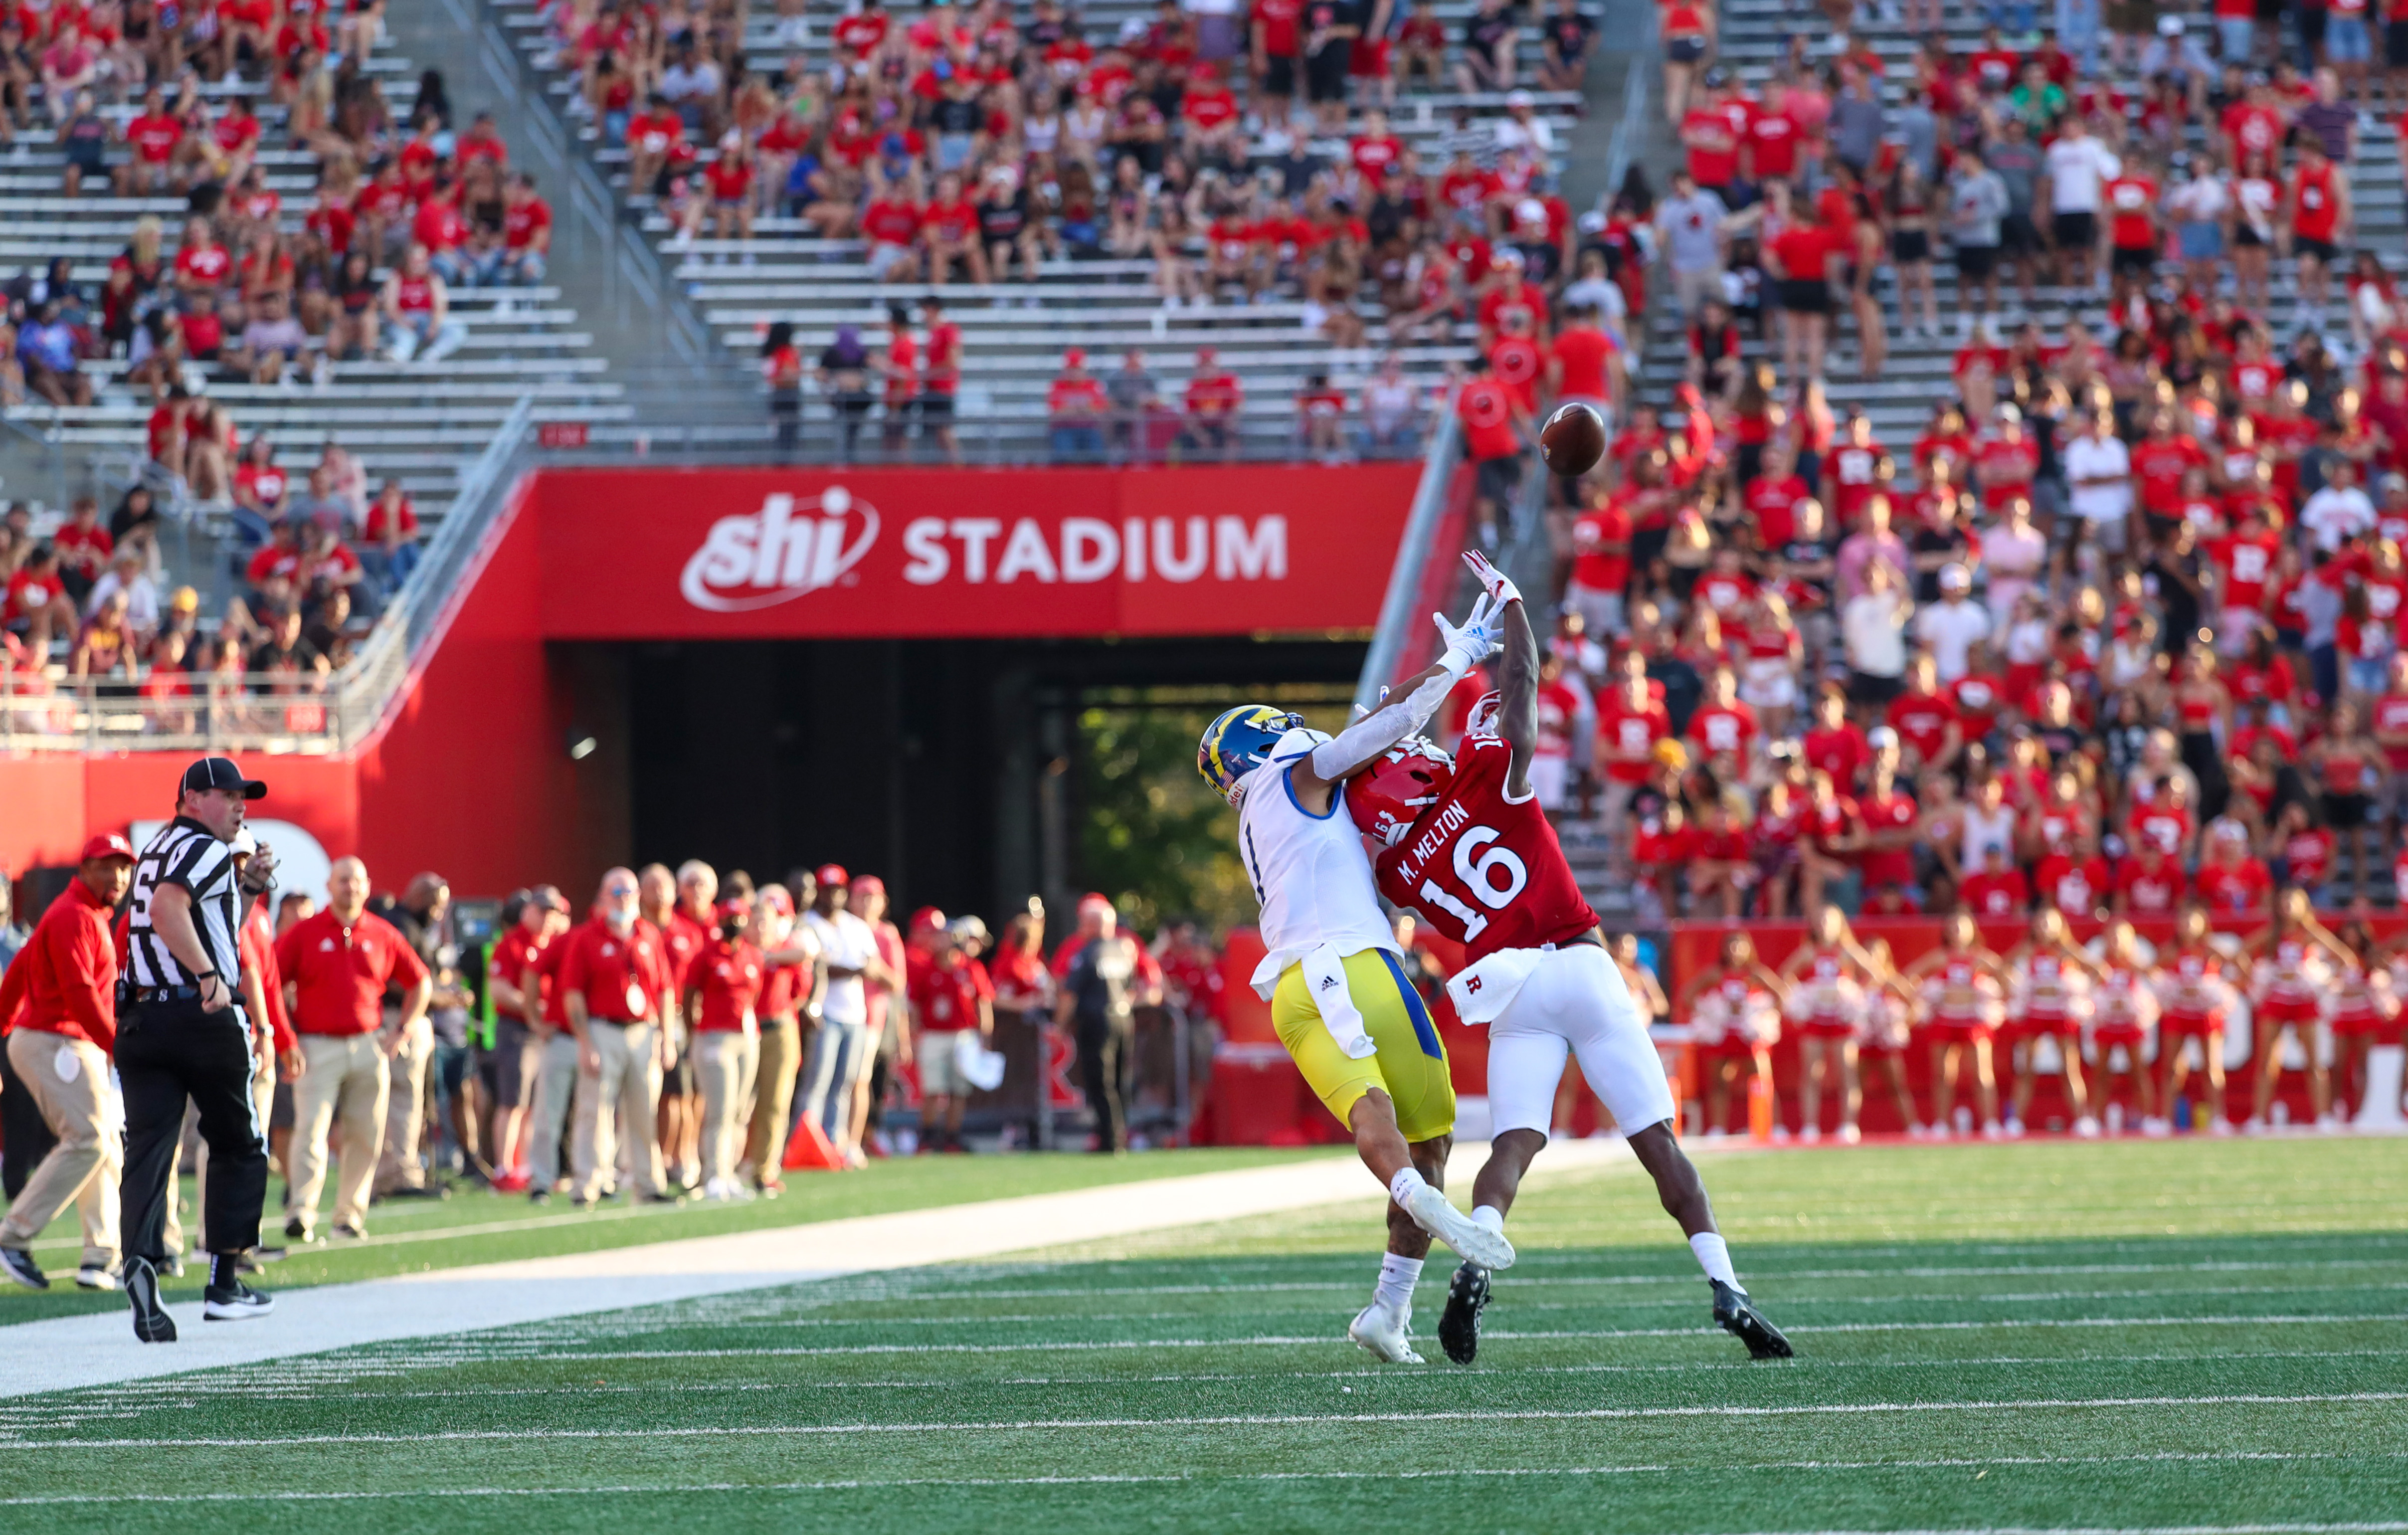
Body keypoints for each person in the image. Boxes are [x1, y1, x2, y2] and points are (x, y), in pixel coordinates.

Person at [1358, 551, 1791, 1365]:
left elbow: (1375, 764)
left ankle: (1479, 1248)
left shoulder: (1393, 868)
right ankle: (1725, 1285)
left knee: (1513, 1145)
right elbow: (1519, 695)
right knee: (1657, 1141)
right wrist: (1512, 611)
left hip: (1510, 990)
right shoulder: (1486, 776)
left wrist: (1403, 714)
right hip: (1578, 963)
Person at [1195, 587, 1518, 1366]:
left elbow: (1374, 724)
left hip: (1295, 992)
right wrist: (1463, 658)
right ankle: (1428, 1207)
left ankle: (1387, 1310)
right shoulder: (1290, 778)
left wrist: (1445, 661)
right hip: (1350, 966)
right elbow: (1392, 726)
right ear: (1261, 741)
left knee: (1423, 1135)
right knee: (1414, 1139)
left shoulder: (1267, 803)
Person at [118, 757, 279, 1339]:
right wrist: (211, 978)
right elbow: (169, 911)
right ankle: (225, 1283)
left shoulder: (158, 846)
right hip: (201, 1015)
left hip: (141, 1018)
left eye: (244, 796)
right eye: (227, 794)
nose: (240, 805)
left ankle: (138, 1255)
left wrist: (250, 890)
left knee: (148, 1150)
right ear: (192, 798)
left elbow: (205, 922)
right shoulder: (207, 849)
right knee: (240, 1142)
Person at [0, 833, 135, 1292]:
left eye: (123, 866)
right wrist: (119, 1046)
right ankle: (14, 1235)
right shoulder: (75, 916)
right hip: (56, 1042)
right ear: (83, 869)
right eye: (106, 866)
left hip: (62, 1042)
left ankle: (100, 1256)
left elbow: (18, 970)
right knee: (90, 1138)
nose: (117, 876)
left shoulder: (78, 913)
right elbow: (80, 999)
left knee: (105, 1146)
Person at [276, 856, 432, 1243]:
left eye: (358, 881)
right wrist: (286, 1038)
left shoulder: (382, 932)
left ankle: (349, 1216)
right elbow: (270, 981)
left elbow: (420, 981)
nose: (351, 888)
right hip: (316, 1044)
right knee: (310, 1131)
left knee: (365, 1134)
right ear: (329, 885)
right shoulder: (305, 933)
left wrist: (404, 1029)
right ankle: (301, 1211)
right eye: (344, 880)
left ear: (367, 886)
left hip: (368, 1043)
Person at [558, 868, 681, 1206]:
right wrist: (584, 1041)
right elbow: (572, 993)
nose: (624, 899)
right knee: (594, 1111)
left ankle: (647, 1183)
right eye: (617, 893)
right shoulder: (587, 937)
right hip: (602, 1029)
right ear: (603, 897)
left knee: (643, 1111)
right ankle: (589, 1183)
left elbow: (665, 990)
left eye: (629, 892)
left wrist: (667, 1037)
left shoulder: (649, 935)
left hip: (643, 1031)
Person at [2243, 889, 2355, 1133]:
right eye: (2282, 902)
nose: (2286, 907)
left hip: (2304, 1000)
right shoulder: (2272, 933)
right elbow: (2241, 952)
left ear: (2303, 906)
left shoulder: (2310, 932)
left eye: (2291, 902)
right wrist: (2259, 978)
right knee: (2267, 1061)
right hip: (2276, 999)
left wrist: (2322, 981)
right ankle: (2259, 1118)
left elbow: (2346, 959)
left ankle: (2323, 1117)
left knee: (2314, 1062)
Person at [797, 865, 888, 1164]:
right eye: (828, 890)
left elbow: (875, 967)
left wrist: (856, 969)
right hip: (824, 1013)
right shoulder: (808, 924)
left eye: (838, 890)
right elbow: (818, 968)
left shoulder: (856, 926)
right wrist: (855, 969)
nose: (834, 895)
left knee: (845, 1083)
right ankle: (805, 1141)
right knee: (817, 1082)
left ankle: (834, 1143)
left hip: (855, 1015)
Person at [1053, 896, 1156, 1153]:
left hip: (1097, 1022)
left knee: (1101, 1082)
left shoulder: (1086, 952)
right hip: (1123, 1020)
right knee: (1120, 1080)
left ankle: (1109, 1139)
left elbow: (1069, 994)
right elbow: (1134, 989)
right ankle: (1119, 1134)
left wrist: (1058, 1026)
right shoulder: (1124, 950)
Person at [1904, 913, 2014, 1139]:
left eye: (1962, 928)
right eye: (1953, 928)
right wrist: (1925, 999)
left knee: (1982, 1073)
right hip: (1945, 1020)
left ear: (1973, 931)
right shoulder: (1939, 957)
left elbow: (2010, 980)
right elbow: (1909, 977)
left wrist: (1992, 999)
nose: (1957, 932)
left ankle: (1991, 1123)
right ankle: (1942, 1124)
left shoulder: (1981, 958)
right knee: (1943, 1074)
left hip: (1974, 1021)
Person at [684, 894, 764, 1200]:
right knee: (720, 1109)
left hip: (746, 1036)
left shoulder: (752, 955)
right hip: (714, 1035)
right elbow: (690, 995)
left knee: (740, 1110)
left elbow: (752, 999)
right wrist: (695, 1033)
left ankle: (729, 1173)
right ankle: (714, 1175)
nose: (736, 924)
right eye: (730, 919)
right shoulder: (706, 955)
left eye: (740, 919)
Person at [2001, 907, 2105, 1138]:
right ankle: (2015, 1122)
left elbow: (2099, 970)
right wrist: (2016, 991)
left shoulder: (2067, 951)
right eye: (2041, 923)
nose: (2044, 929)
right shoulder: (2028, 950)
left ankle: (2082, 1119)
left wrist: (2081, 995)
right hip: (2034, 1013)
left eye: (2050, 924)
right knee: (2026, 1069)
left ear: (2060, 927)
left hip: (2061, 1015)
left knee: (2069, 1068)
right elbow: (2002, 967)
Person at [1779, 905, 1879, 1145]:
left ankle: (1848, 1125)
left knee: (1847, 1072)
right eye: (1821, 920)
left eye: (1829, 920)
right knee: (1812, 1073)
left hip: (1842, 1021)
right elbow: (1785, 975)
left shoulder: (1847, 951)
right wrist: (1803, 999)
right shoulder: (1809, 952)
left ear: (1839, 924)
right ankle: (1810, 1126)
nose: (1824, 925)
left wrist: (1854, 999)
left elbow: (1875, 975)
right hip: (1815, 1020)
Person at [913, 915, 995, 1153]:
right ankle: (927, 1137)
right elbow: (916, 1005)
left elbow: (984, 1003)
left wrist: (985, 1036)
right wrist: (914, 1035)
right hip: (933, 1034)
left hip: (963, 1035)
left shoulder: (971, 968)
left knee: (958, 1091)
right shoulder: (926, 968)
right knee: (932, 1089)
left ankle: (952, 1137)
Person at [2153, 906, 2236, 1135]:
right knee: (2172, 1068)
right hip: (2178, 1013)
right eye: (2184, 920)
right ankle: (2165, 1119)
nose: (2188, 926)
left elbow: (2239, 964)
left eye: (2193, 921)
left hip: (2206, 1015)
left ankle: (2219, 1117)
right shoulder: (2170, 951)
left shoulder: (2211, 950)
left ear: (2203, 925)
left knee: (2211, 1067)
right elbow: (2154, 974)